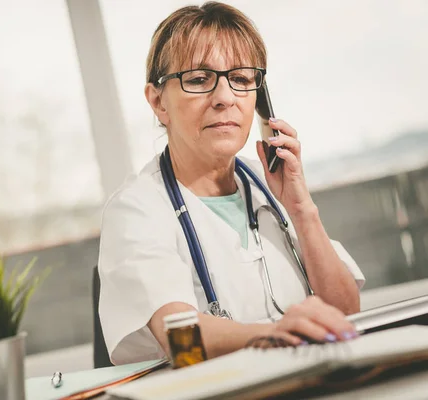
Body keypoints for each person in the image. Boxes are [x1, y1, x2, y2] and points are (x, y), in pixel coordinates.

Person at [98, 1, 365, 365]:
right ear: (158, 101)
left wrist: (302, 210)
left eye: (241, 79)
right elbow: (181, 344)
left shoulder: (271, 183)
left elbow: (346, 312)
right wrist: (273, 335)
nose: (225, 98)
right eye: (198, 79)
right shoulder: (137, 209)